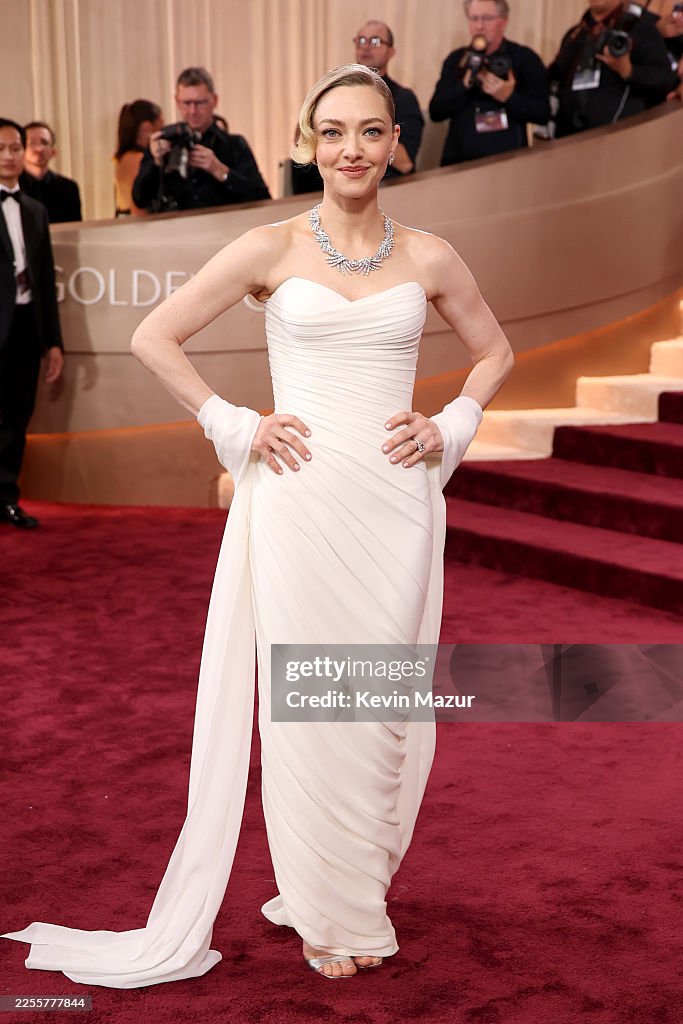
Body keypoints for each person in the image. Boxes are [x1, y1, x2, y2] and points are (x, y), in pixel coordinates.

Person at [2, 65, 513, 982]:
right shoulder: (269, 246)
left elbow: (493, 351)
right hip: (299, 497)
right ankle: (331, 911)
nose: (349, 149)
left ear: (394, 141)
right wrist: (236, 425)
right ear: (305, 144)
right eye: (332, 133)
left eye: (368, 131)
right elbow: (155, 335)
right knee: (307, 707)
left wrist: (452, 426)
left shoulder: (430, 254)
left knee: (379, 709)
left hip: (396, 505)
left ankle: (353, 884)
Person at [0, 119, 64, 529]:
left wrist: (53, 343)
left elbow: (43, 278)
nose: (9, 155)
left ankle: (7, 497)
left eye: (15, 147)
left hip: (26, 326)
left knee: (18, 415)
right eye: (1, 148)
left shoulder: (36, 211)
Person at [292, 19, 424, 194]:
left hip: (390, 189)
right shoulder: (334, 93)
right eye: (361, 41)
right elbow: (301, 140)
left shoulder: (403, 98)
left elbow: (406, 163)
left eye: (375, 41)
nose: (366, 47)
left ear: (391, 51)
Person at [428, 0, 550, 165]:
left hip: (510, 163)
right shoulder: (457, 60)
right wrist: (464, 86)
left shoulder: (524, 58)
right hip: (459, 164)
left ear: (504, 21)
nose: (479, 26)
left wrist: (509, 97)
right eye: (474, 18)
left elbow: (542, 113)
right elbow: (436, 111)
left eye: (486, 18)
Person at [132, 66, 270, 213]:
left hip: (225, 230)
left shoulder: (234, 144)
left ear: (214, 100)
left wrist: (221, 171)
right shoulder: (162, 142)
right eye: (186, 103)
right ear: (177, 101)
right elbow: (139, 199)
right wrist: (156, 163)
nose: (192, 111)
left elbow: (262, 198)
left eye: (200, 103)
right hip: (173, 231)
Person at [549, 0, 678, 137]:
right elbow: (556, 77)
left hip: (617, 137)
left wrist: (628, 71)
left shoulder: (639, 29)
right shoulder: (576, 33)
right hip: (569, 139)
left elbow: (665, 80)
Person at [19, 121, 82, 223]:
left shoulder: (68, 188)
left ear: (53, 152)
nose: (38, 148)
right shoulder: (10, 187)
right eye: (31, 143)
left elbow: (74, 229)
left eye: (44, 142)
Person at [114, 99, 163, 216]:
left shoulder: (124, 157)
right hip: (137, 221)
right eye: (161, 123)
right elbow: (139, 202)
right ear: (147, 127)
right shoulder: (139, 159)